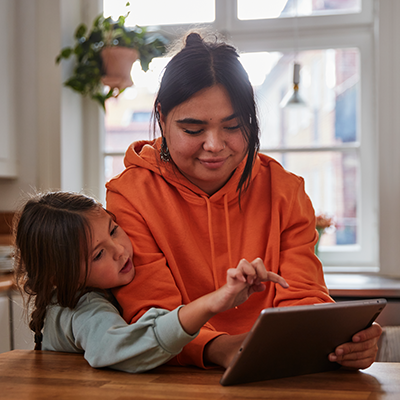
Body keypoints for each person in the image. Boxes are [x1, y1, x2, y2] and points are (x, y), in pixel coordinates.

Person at [106, 31, 382, 370]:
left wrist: (335, 340)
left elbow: (303, 296)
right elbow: (149, 315)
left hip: (272, 369)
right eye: (193, 130)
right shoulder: (130, 195)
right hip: (172, 376)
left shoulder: (284, 190)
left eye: (233, 126)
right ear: (161, 117)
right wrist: (220, 348)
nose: (214, 145)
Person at [13, 191, 288, 373]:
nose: (120, 250)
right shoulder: (80, 309)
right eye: (99, 254)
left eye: (114, 230)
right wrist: (210, 304)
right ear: (60, 276)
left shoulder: (99, 287)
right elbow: (117, 347)